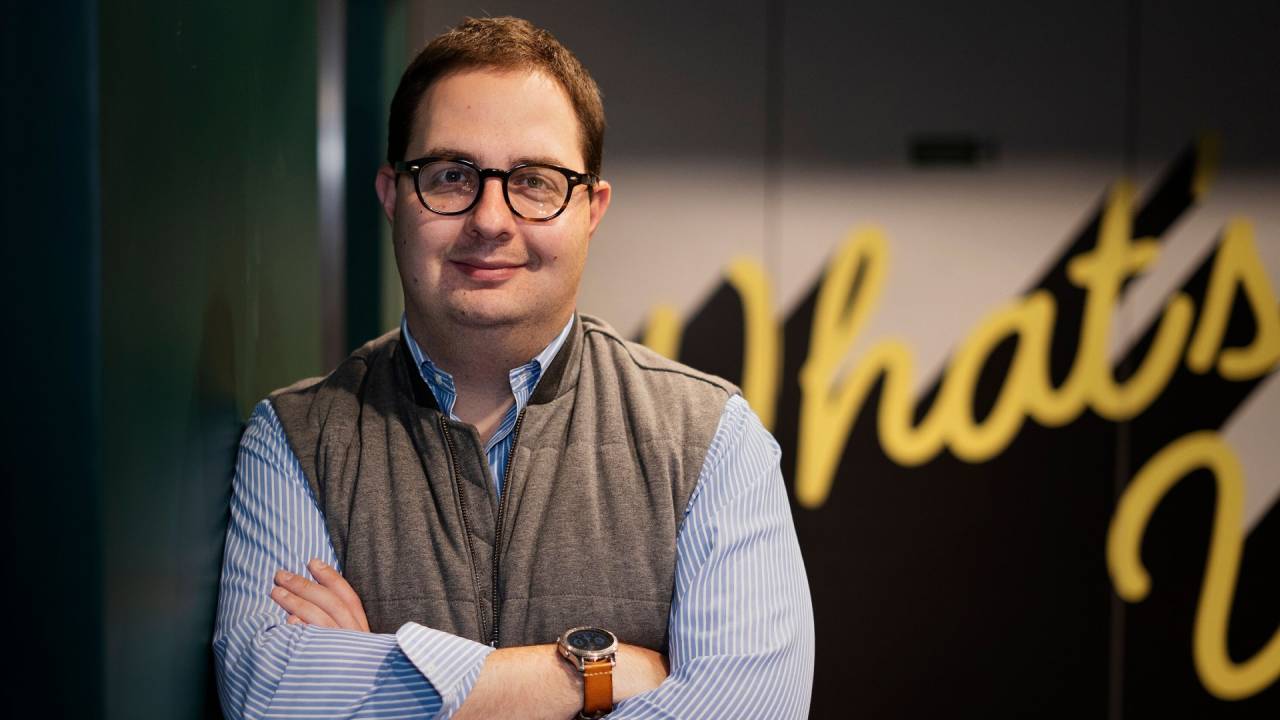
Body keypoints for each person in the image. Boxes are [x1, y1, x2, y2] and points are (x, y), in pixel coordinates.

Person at [213, 16, 814, 719]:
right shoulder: (295, 440)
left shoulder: (711, 441)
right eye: (450, 176)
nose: (491, 220)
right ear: (392, 196)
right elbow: (269, 696)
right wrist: (589, 676)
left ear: (591, 209)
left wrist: (373, 676)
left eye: (534, 182)